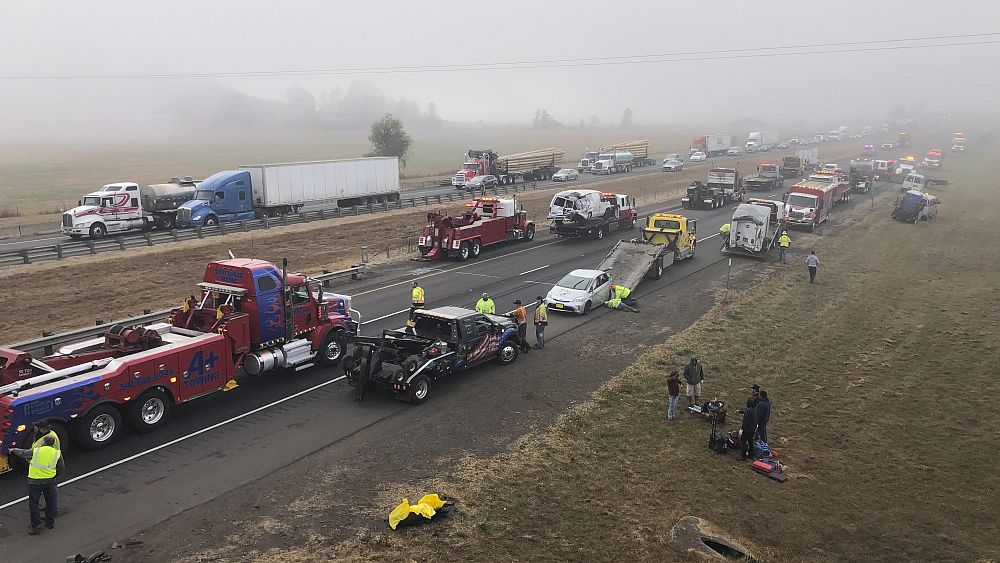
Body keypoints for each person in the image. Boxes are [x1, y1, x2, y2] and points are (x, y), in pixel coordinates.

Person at [9, 435, 64, 535]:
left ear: (44, 442)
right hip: (49, 481)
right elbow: (61, 467)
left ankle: (36, 526)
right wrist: (53, 476)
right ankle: (50, 523)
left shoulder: (36, 451)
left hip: (35, 482)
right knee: (50, 502)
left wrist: (13, 450)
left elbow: (23, 453)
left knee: (34, 505)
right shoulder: (57, 453)